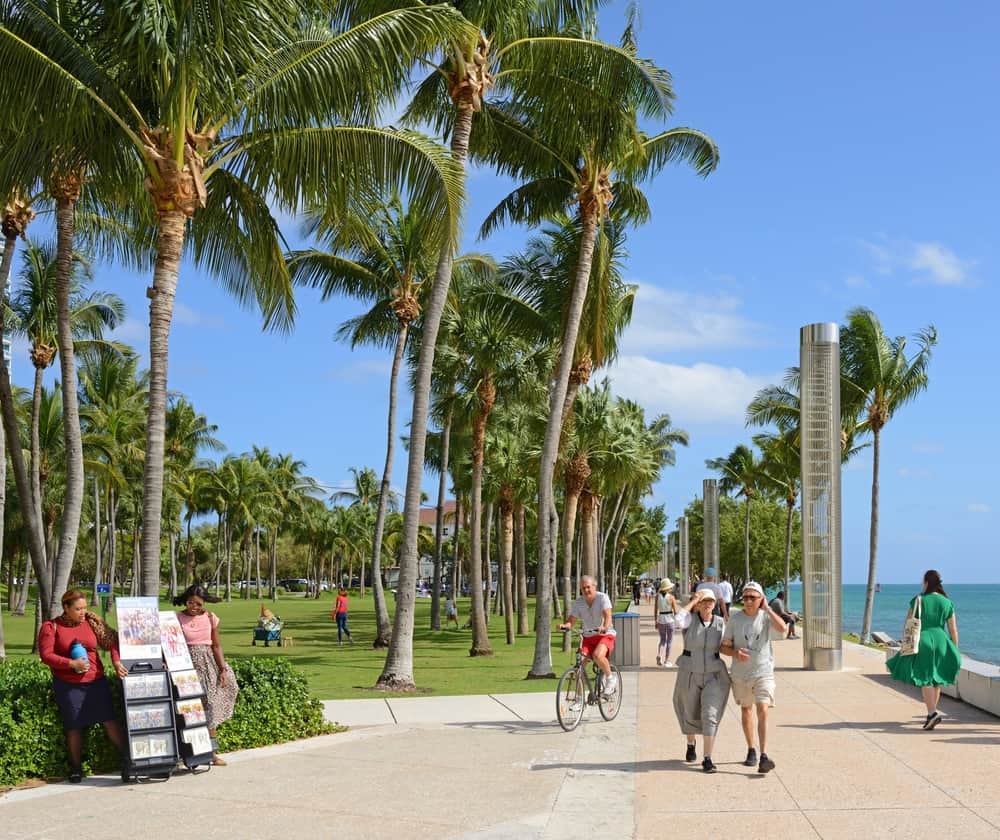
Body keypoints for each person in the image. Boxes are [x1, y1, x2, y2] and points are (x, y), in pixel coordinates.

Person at [38, 589, 129, 783]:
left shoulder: (91, 621)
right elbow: (46, 655)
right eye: (78, 609)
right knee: (74, 726)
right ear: (66, 608)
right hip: (68, 685)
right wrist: (71, 664)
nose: (82, 612)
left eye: (84, 607)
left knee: (109, 720)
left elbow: (112, 641)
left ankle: (128, 759)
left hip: (96, 681)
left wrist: (115, 661)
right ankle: (76, 768)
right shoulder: (51, 627)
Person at [721, 581, 786, 774]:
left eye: (753, 597)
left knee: (763, 708)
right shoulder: (735, 619)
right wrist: (735, 654)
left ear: (761, 599)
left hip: (763, 671)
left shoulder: (766, 617)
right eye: (746, 597)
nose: (748, 601)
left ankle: (764, 754)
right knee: (746, 710)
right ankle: (751, 749)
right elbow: (723, 646)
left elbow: (782, 628)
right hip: (741, 674)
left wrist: (767, 608)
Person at [886, 569, 961, 730]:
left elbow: (908, 623)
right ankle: (931, 714)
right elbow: (953, 629)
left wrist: (905, 642)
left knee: (925, 677)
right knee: (936, 680)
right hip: (941, 641)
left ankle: (932, 713)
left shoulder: (918, 600)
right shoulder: (947, 602)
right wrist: (954, 648)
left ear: (926, 582)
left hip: (923, 640)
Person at [174, 584, 239, 766]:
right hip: (186, 664)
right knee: (188, 708)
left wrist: (222, 669)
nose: (194, 607)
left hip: (208, 663)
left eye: (198, 604)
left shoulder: (211, 618)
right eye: (190, 603)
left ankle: (212, 753)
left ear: (204, 603)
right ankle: (187, 753)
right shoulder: (177, 618)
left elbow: (216, 645)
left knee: (209, 708)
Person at [672, 588, 730, 773]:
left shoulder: (720, 623)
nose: (708, 604)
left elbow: (728, 644)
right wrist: (692, 602)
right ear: (697, 604)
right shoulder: (690, 620)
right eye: (704, 601)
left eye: (711, 601)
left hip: (713, 674)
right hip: (689, 671)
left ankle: (707, 758)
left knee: (710, 715)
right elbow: (677, 620)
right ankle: (691, 743)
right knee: (689, 711)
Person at [558, 575, 617, 697]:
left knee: (597, 655)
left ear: (594, 587)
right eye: (583, 588)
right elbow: (571, 620)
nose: (586, 590)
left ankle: (610, 678)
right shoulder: (579, 602)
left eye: (588, 587)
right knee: (580, 668)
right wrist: (565, 626)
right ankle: (579, 699)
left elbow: (608, 616)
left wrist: (604, 627)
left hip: (605, 635)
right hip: (587, 637)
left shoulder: (602, 598)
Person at [655, 579, 678, 667]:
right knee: (669, 641)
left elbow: (655, 610)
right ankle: (666, 660)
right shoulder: (671, 597)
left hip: (661, 619)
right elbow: (675, 611)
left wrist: (655, 621)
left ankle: (659, 654)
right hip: (670, 620)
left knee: (662, 640)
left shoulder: (657, 596)